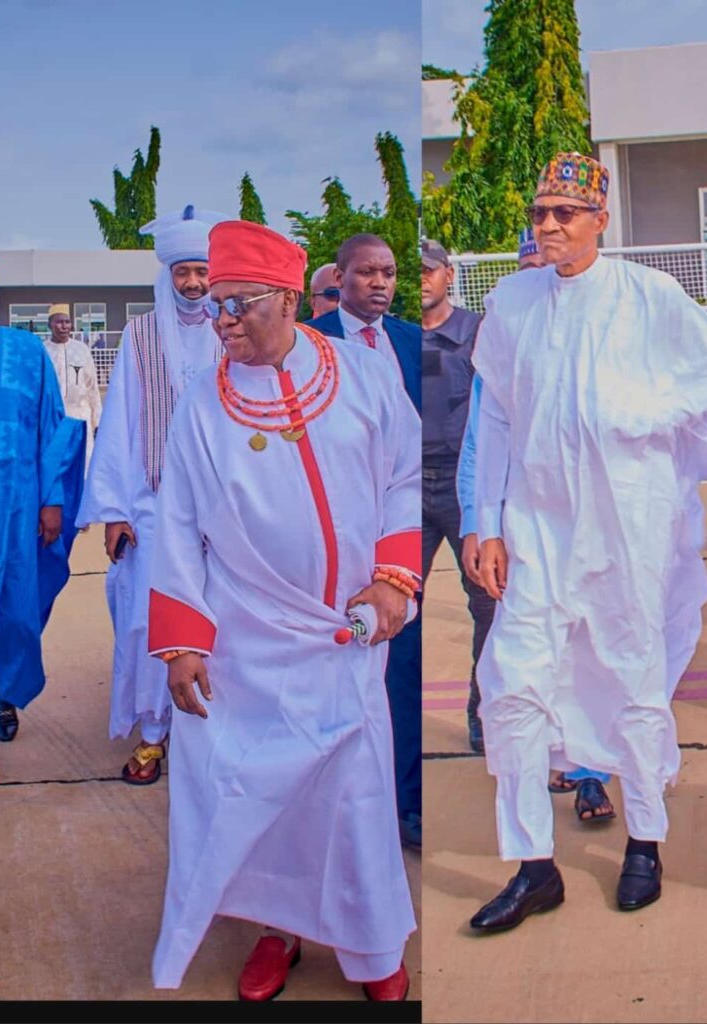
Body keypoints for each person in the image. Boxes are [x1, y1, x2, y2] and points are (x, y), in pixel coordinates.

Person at [468, 152, 707, 931]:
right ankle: (535, 865)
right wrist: (483, 521)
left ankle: (644, 840)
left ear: (601, 219)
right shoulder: (511, 301)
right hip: (535, 521)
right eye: (540, 212)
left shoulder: (649, 294)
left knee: (632, 674)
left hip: (626, 522)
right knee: (512, 683)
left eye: (565, 213)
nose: (549, 225)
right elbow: (494, 416)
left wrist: (648, 410)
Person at [147, 220, 419, 1001]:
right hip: (250, 641)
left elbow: (402, 478)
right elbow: (180, 522)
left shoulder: (364, 375)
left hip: (350, 634)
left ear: (291, 298)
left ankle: (372, 951)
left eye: (240, 304)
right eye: (217, 306)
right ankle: (278, 931)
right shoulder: (204, 402)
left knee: (354, 796)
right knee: (262, 794)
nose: (223, 320)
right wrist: (182, 639)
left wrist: (396, 579)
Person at [457, 229, 617, 823]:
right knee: (528, 656)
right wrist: (480, 525)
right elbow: (480, 443)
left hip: (598, 528)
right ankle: (543, 769)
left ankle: (594, 773)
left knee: (593, 649)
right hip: (525, 529)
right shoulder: (501, 351)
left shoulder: (602, 337)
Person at [77, 205, 225, 784]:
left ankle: (209, 728)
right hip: (153, 503)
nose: (193, 283)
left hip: (221, 506)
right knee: (146, 620)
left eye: (200, 272)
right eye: (182, 273)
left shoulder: (229, 327)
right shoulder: (139, 335)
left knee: (219, 617)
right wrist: (114, 510)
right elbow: (117, 424)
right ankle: (154, 733)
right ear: (167, 277)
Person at [307, 233, 422, 849]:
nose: (380, 283)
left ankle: (405, 803)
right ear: (340, 279)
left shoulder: (409, 339)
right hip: (338, 525)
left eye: (389, 272)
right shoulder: (311, 343)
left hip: (406, 514)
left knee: (405, 657)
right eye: (367, 272)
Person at [0, 250, 85, 743]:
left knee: (15, 602)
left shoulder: (28, 352)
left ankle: (2, 697)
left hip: (21, 503)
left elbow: (52, 427)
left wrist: (53, 501)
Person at [420, 238, 494, 755]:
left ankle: (485, 712)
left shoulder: (476, 335)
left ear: (448, 274)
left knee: (488, 605)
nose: (421, 280)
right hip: (405, 486)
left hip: (463, 485)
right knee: (395, 609)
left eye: (429, 271)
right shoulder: (395, 337)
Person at [42, 303, 102, 469]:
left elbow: (92, 389)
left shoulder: (81, 350)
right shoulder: (43, 351)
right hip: (52, 419)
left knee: (83, 465)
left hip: (80, 416)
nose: (64, 326)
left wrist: (97, 422)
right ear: (50, 325)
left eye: (67, 322)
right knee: (55, 466)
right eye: (59, 322)